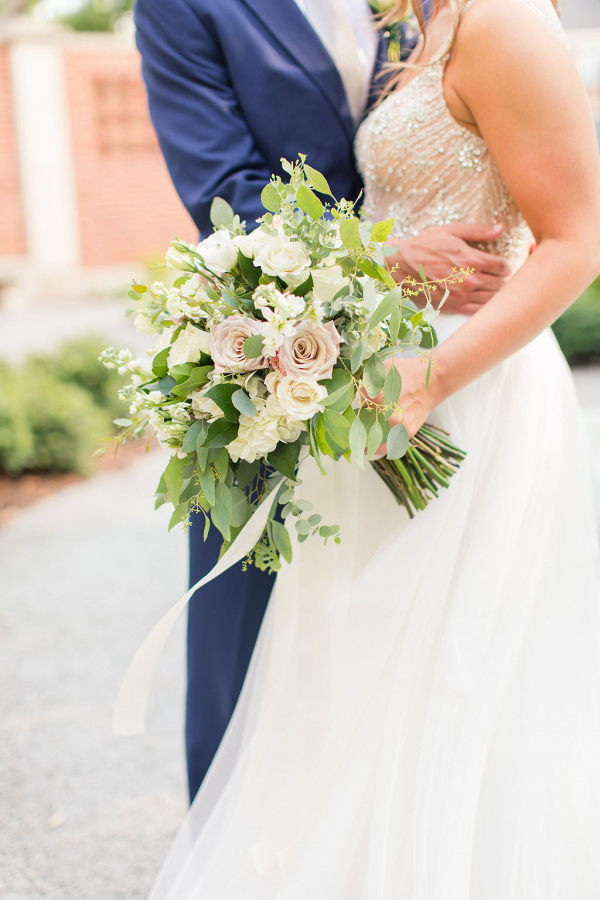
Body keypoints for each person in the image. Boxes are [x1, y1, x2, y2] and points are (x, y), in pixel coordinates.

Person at [140, 0, 600, 895]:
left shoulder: (496, 19)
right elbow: (227, 194)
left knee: (457, 665)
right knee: (340, 659)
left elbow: (575, 235)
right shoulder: (419, 20)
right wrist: (380, 266)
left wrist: (434, 375)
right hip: (352, 379)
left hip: (463, 387)